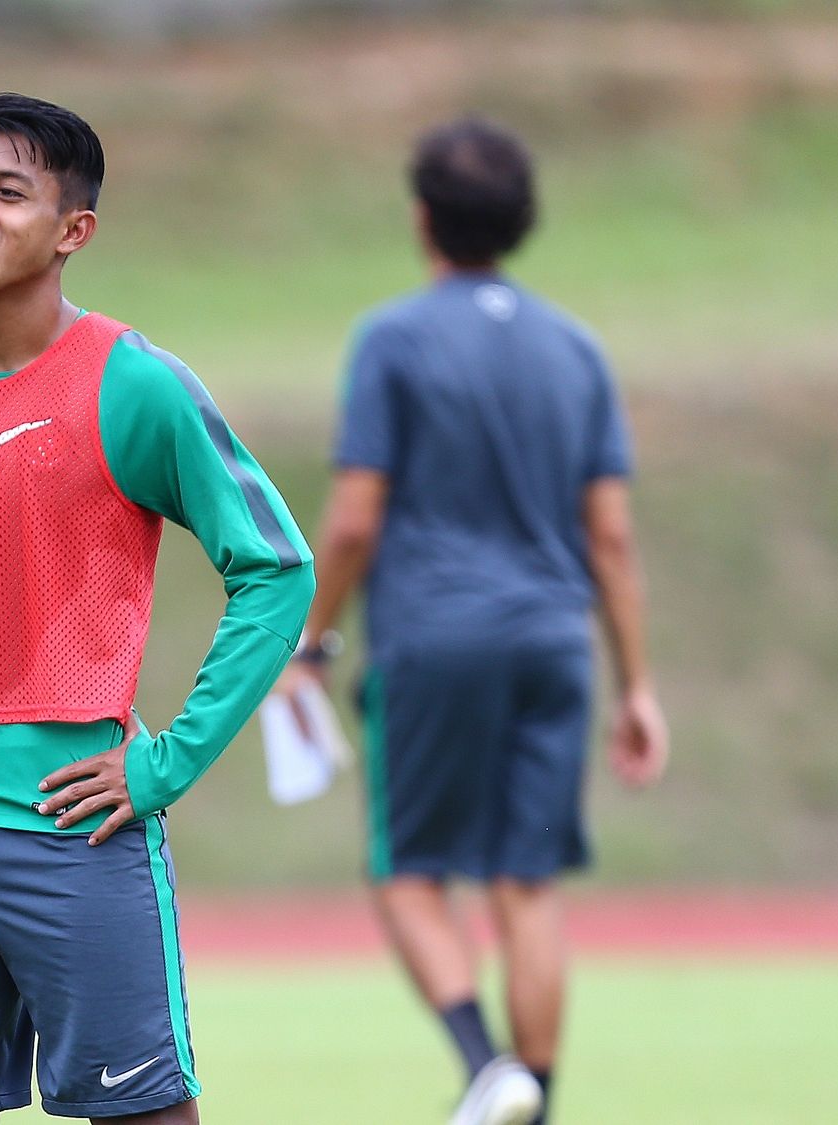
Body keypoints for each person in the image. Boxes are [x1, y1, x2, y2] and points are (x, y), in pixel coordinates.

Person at [0, 93, 314, 1123]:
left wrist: (166, 761)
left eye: (7, 192)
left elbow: (276, 570)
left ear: (72, 230)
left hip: (71, 827)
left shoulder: (134, 385)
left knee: (145, 1112)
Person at [273, 117, 669, 1125]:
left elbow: (354, 517)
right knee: (525, 884)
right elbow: (610, 538)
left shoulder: (393, 339)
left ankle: (485, 1067)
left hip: (434, 640)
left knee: (408, 874)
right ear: (522, 218)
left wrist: (310, 643)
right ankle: (532, 1102)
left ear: (422, 219)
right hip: (554, 642)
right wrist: (635, 684)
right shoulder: (576, 349)